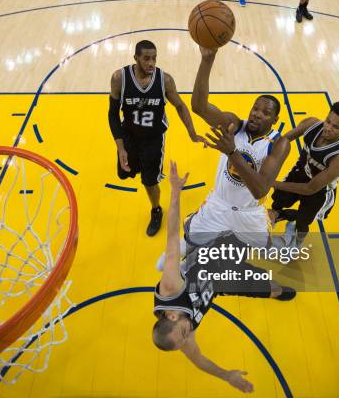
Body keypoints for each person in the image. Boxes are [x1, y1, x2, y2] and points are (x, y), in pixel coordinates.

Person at [152, 162, 295, 393]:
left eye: (183, 332)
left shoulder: (170, 290)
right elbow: (198, 360)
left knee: (252, 227)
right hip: (222, 281)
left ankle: (274, 209)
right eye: (184, 339)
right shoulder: (179, 338)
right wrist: (226, 375)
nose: (189, 335)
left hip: (213, 253)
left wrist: (176, 193)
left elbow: (170, 239)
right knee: (271, 288)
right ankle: (274, 291)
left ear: (170, 315)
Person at [189, 46, 291, 248]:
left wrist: (232, 153)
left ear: (274, 119)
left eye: (265, 112)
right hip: (218, 205)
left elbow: (260, 189)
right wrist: (207, 59)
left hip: (249, 213)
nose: (257, 114)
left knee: (261, 251)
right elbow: (199, 106)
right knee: (192, 241)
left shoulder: (279, 144)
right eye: (255, 108)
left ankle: (278, 223)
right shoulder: (234, 125)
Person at [109, 40, 206, 237]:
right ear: (135, 58)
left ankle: (156, 210)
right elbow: (112, 114)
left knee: (149, 181)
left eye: (154, 58)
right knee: (124, 173)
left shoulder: (165, 80)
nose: (151, 63)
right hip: (129, 134)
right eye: (146, 58)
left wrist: (192, 132)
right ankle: (136, 163)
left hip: (153, 138)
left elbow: (180, 105)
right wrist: (121, 148)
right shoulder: (120, 78)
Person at [269, 101, 339, 247]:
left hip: (319, 189)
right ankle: (276, 215)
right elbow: (284, 140)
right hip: (300, 172)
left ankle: (297, 243)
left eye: (336, 127)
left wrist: (272, 182)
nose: (328, 128)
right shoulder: (311, 124)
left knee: (303, 222)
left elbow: (310, 188)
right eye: (328, 121)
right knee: (278, 201)